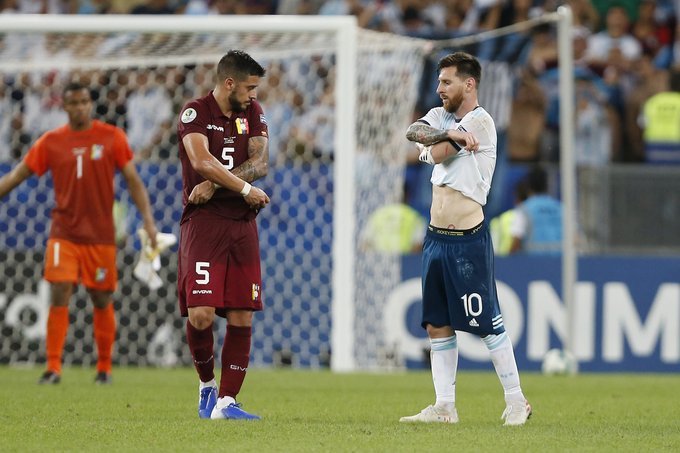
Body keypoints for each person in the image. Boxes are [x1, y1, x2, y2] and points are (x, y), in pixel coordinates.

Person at [400, 52, 531, 426]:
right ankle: (445, 407)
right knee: (436, 323)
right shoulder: (442, 116)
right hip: (435, 239)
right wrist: (446, 133)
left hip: (466, 241)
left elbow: (436, 154)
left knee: (486, 322)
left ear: (469, 84)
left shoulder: (481, 122)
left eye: (447, 82)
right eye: (439, 81)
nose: (439, 88)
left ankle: (517, 401)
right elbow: (413, 132)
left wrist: (440, 140)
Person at [0, 82, 158, 385]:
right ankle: (53, 367)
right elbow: (17, 175)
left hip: (100, 236)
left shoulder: (112, 137)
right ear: (65, 106)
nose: (80, 107)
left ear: (90, 103)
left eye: (84, 101)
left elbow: (133, 180)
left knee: (101, 297)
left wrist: (148, 220)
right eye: (73, 103)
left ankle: (104, 368)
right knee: (59, 289)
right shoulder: (51, 141)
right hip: (64, 233)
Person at [176, 50, 270, 421]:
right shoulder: (195, 112)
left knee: (242, 314)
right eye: (249, 88)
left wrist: (216, 186)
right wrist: (244, 189)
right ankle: (206, 385)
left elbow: (260, 163)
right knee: (200, 315)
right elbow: (200, 161)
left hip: (242, 224)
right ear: (229, 83)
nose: (254, 95)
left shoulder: (253, 113)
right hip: (204, 223)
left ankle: (227, 402)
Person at [509, 165, 563, 254]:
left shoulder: (524, 209)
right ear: (547, 185)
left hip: (534, 261)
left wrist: (509, 259)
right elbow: (575, 239)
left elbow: (517, 240)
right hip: (561, 260)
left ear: (528, 186)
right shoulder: (561, 208)